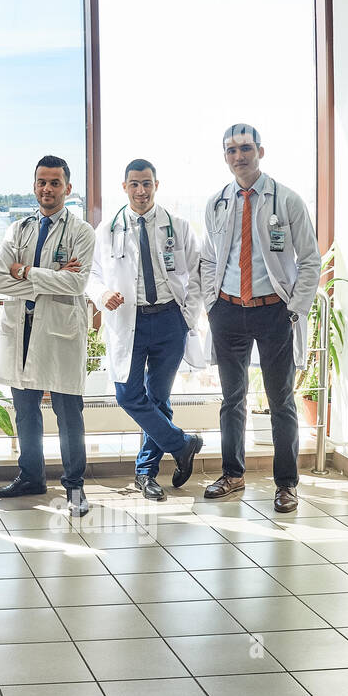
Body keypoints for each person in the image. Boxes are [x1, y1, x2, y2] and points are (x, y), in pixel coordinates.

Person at [200, 124, 319, 513]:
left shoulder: (286, 200)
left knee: (281, 400)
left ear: (260, 151)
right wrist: (210, 304)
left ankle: (286, 484)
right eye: (231, 150)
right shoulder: (217, 202)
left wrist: (294, 311)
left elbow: (310, 260)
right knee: (231, 399)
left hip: (274, 312)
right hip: (228, 311)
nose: (239, 156)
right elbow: (209, 258)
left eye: (246, 148)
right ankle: (232, 476)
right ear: (224, 157)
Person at [87, 159, 206, 502]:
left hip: (170, 320)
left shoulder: (178, 226)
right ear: (124, 187)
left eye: (147, 184)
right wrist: (102, 293)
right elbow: (90, 276)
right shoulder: (107, 229)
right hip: (129, 320)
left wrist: (188, 316)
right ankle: (183, 444)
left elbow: (196, 273)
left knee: (158, 398)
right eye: (134, 184)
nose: (141, 191)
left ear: (157, 185)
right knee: (127, 394)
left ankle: (145, 473)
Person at [0, 156, 96, 517]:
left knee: (69, 413)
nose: (47, 189)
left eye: (55, 183)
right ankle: (31, 476)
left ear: (67, 188)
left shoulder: (81, 232)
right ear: (34, 185)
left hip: (60, 331)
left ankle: (74, 486)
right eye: (41, 182)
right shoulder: (17, 229)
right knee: (25, 411)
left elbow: (77, 282)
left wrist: (25, 272)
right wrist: (47, 275)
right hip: (21, 328)